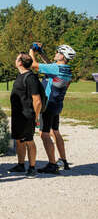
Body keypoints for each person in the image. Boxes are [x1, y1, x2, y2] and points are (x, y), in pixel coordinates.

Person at [29, 43, 75, 173]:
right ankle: (63, 161)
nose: (55, 53)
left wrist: (32, 50)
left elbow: (33, 65)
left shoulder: (56, 68)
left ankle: (52, 164)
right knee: (55, 131)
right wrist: (41, 52)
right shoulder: (66, 69)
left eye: (57, 52)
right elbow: (50, 65)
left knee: (44, 134)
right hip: (57, 104)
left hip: (48, 105)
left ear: (62, 56)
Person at [9, 52, 42, 178]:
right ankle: (21, 164)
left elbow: (37, 100)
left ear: (20, 63)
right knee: (19, 140)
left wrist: (35, 117)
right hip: (18, 115)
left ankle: (32, 167)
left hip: (27, 115)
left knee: (29, 140)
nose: (15, 60)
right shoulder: (21, 76)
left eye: (17, 58)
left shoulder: (30, 78)